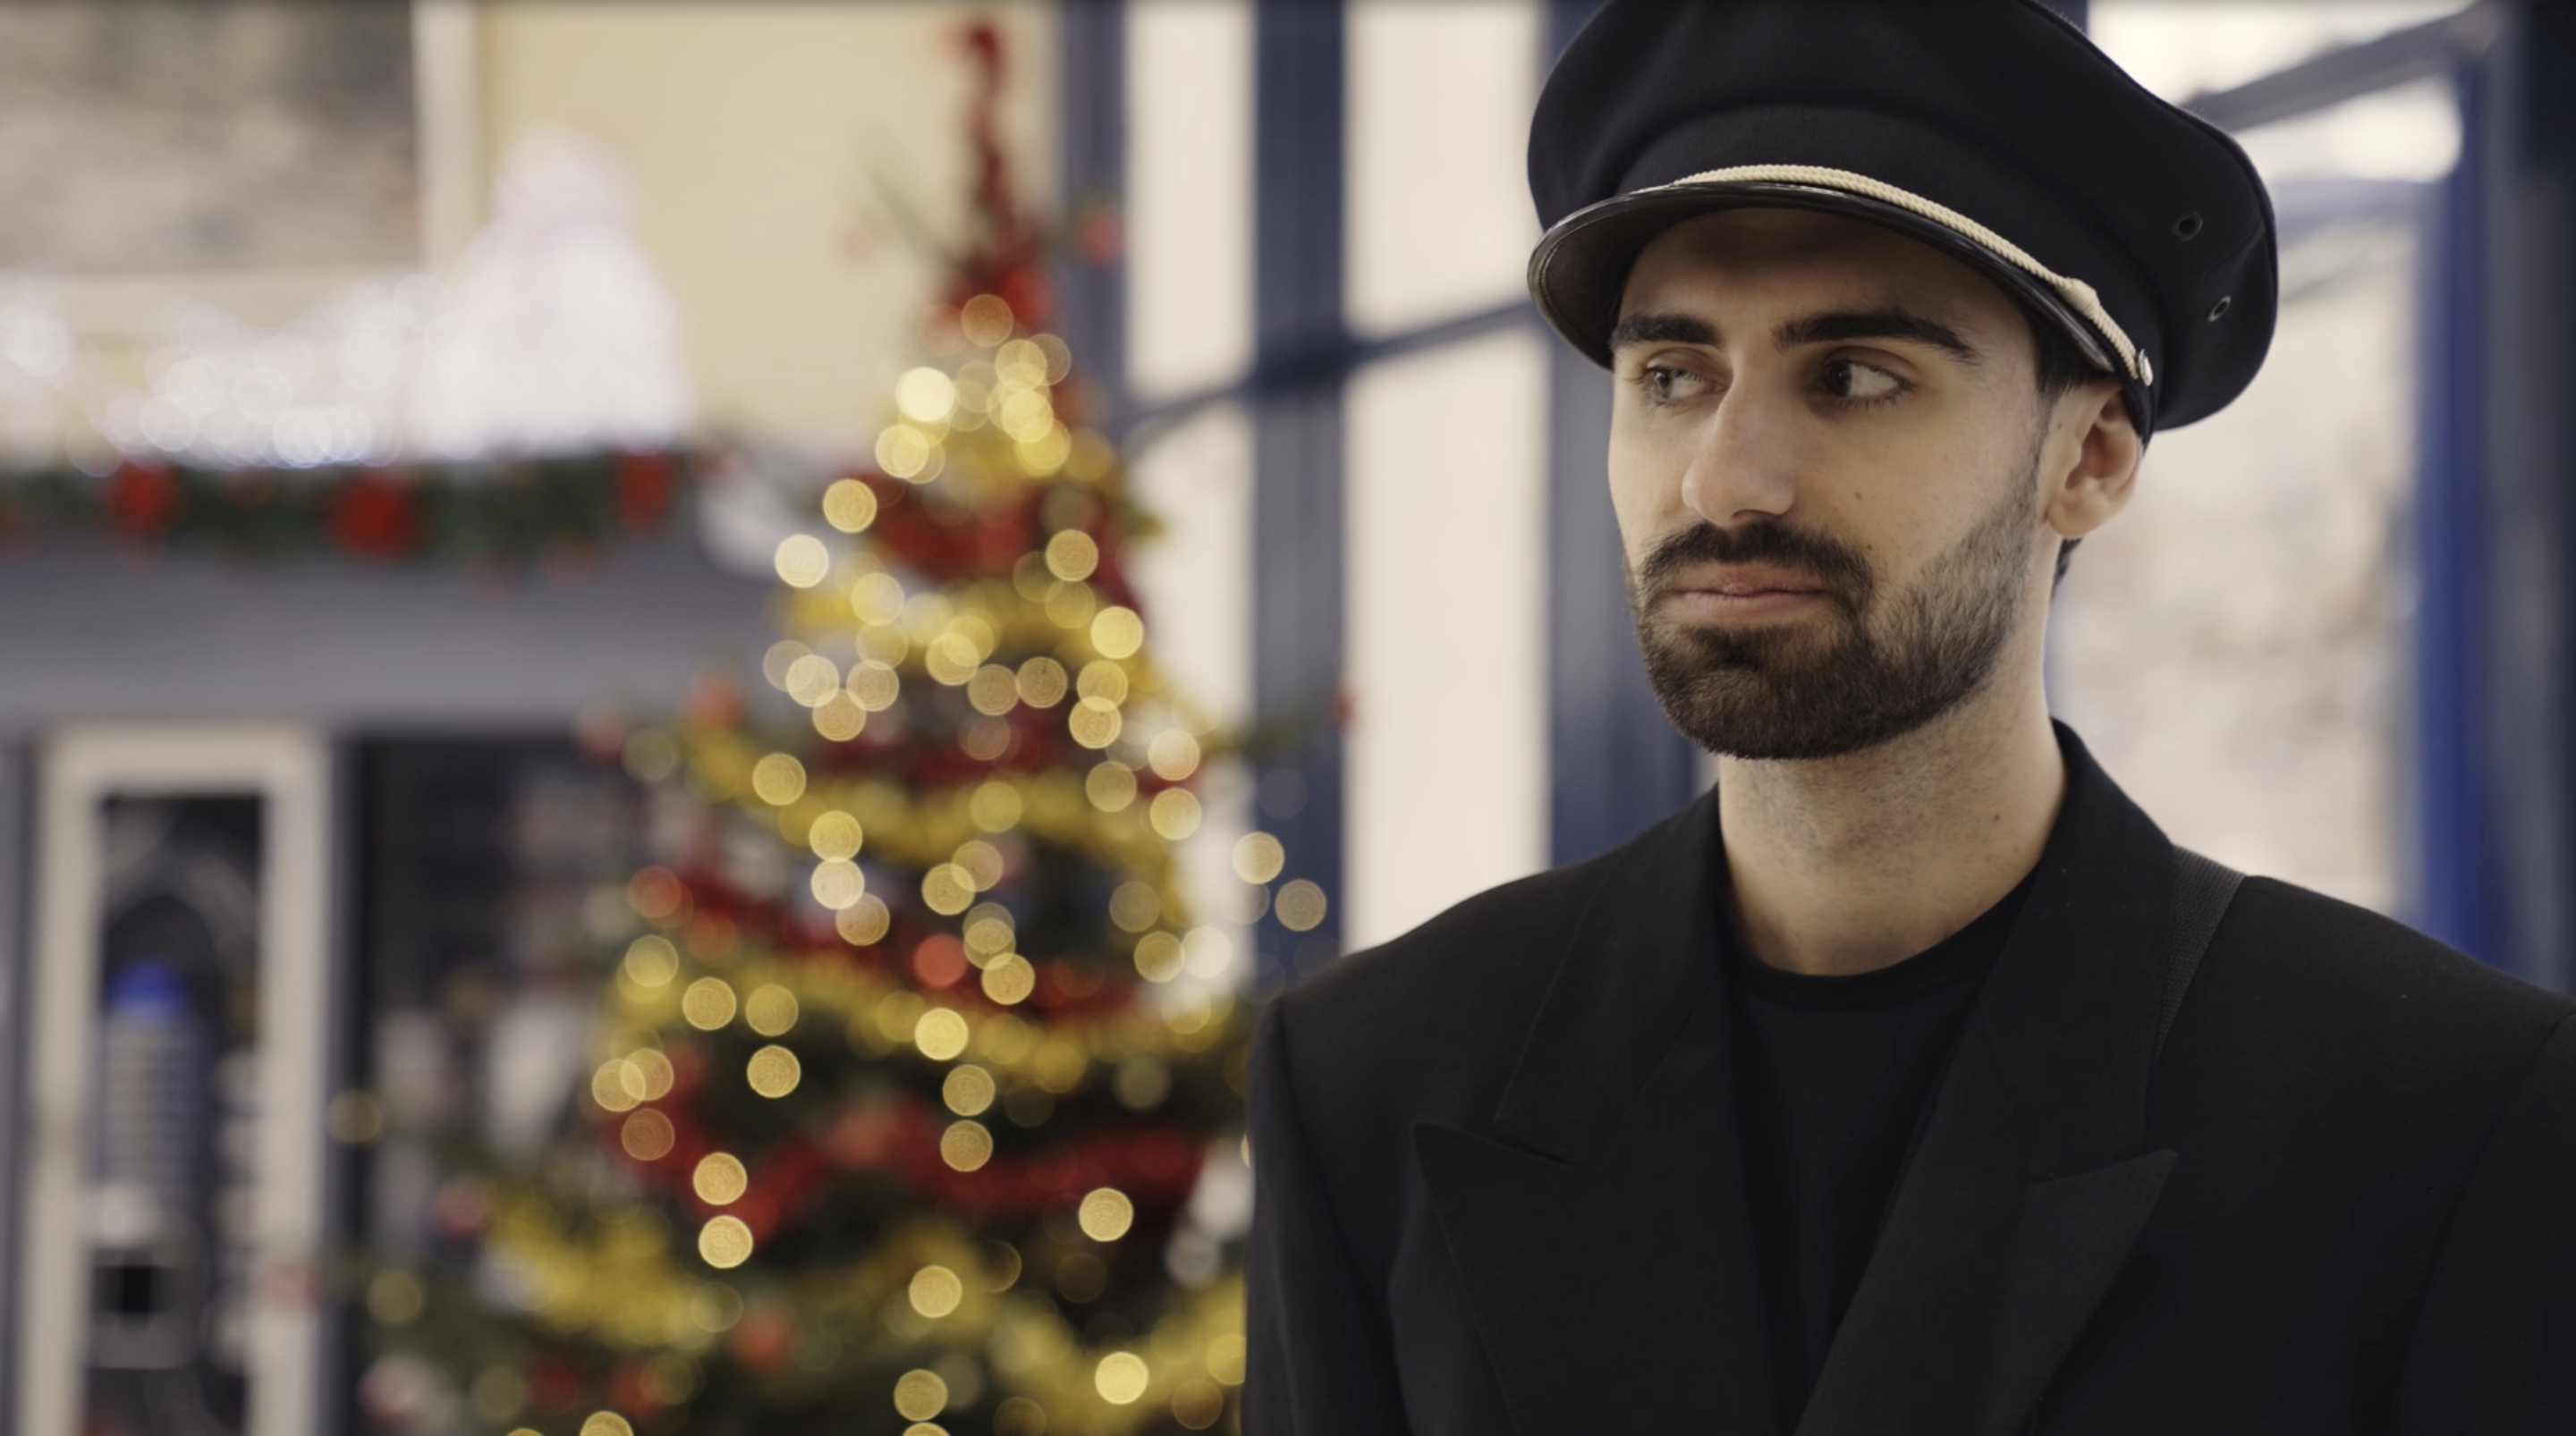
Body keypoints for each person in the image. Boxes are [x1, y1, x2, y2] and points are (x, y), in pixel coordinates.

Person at [1242, 3, 2576, 1432]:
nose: (1725, 480)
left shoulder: (2440, 1113)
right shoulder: (1373, 1080)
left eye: (1855, 376)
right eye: (1673, 377)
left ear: (2091, 455)